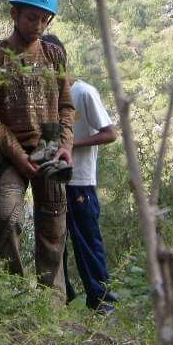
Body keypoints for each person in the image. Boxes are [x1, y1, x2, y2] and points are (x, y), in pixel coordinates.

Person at [0, 0, 74, 296]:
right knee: (7, 218)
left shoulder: (54, 54)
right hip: (10, 152)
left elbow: (66, 105)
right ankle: (13, 294)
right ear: (15, 14)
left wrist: (65, 145)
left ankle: (52, 301)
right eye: (32, 17)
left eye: (45, 19)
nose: (38, 25)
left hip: (50, 145)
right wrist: (18, 155)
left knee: (54, 226)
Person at [43, 34, 119, 314]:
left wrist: (72, 144)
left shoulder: (84, 92)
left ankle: (101, 301)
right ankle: (62, 298)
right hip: (53, 178)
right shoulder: (45, 97)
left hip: (80, 181)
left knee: (86, 241)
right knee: (54, 241)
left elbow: (110, 133)